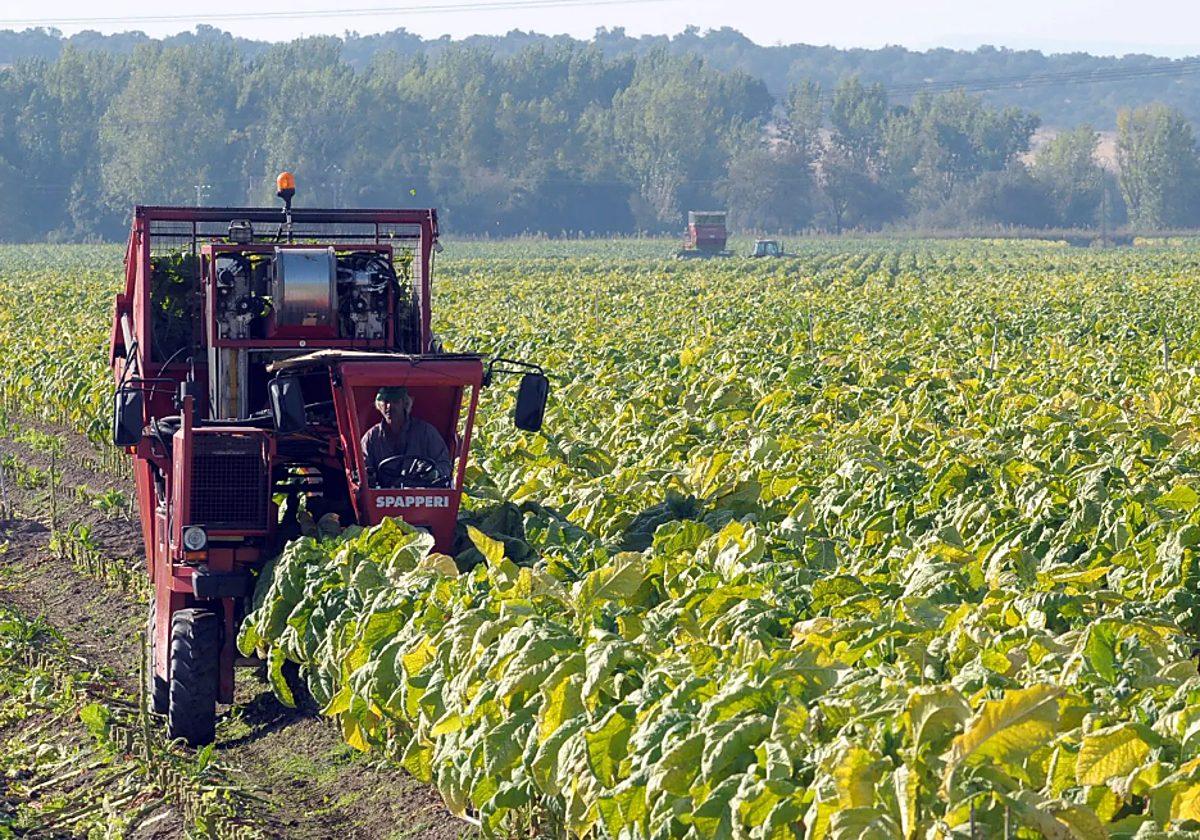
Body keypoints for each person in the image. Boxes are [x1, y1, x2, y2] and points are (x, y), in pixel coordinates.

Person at [361, 386, 451, 487]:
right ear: (379, 405)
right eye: (385, 401)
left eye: (395, 401)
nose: (389, 407)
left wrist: (434, 473)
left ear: (405, 403)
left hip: (422, 497)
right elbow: (363, 469)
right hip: (382, 498)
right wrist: (367, 478)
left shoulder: (426, 432)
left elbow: (444, 463)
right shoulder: (371, 438)